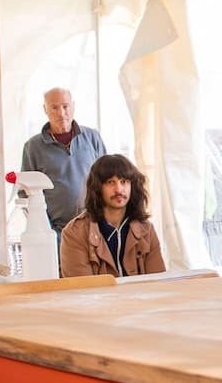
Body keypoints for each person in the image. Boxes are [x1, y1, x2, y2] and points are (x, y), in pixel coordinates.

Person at [59, 154, 167, 278]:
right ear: (97, 187)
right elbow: (82, 291)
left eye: (124, 182)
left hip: (141, 297)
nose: (119, 189)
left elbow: (158, 284)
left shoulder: (146, 230)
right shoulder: (74, 233)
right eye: (110, 182)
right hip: (98, 297)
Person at [20, 86, 106, 237]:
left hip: (95, 227)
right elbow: (25, 193)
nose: (61, 113)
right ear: (45, 109)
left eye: (65, 106)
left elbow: (108, 179)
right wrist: (46, 230)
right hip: (57, 233)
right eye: (54, 107)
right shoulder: (32, 147)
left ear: (73, 106)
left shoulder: (93, 138)